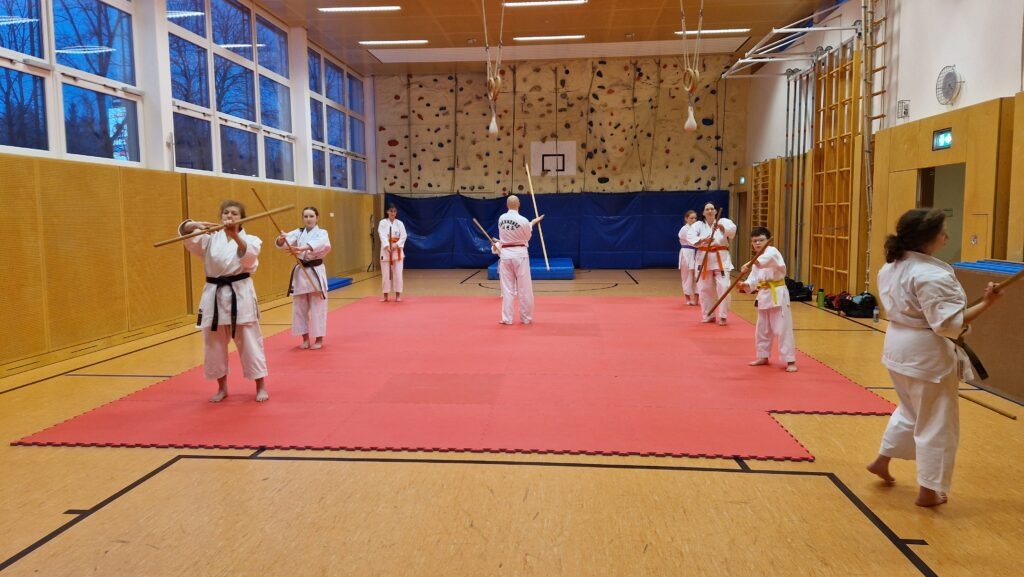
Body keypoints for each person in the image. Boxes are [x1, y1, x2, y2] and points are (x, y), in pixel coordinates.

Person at [865, 208, 1001, 507]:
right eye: (942, 232)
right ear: (928, 238)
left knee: (911, 411)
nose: (947, 236)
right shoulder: (931, 274)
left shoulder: (893, 266)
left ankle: (882, 460)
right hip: (926, 354)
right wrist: (988, 303)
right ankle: (929, 490)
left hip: (898, 347)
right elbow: (947, 325)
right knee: (937, 422)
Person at [179, 200, 269, 403]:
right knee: (214, 344)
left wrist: (235, 235)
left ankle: (260, 386)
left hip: (240, 294)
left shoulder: (252, 239)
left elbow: (249, 259)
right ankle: (222, 388)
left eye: (235, 213)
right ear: (221, 216)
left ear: (242, 218)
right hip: (214, 295)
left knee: (250, 343)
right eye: (226, 213)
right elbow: (187, 236)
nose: (229, 216)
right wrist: (195, 225)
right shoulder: (210, 239)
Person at [739, 227, 797, 372]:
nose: (757, 243)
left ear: (768, 240)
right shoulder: (757, 259)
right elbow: (753, 279)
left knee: (782, 328)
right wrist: (745, 284)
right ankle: (763, 356)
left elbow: (763, 261)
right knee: (762, 329)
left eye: (761, 240)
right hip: (763, 295)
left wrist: (748, 264)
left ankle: (790, 360)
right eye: (754, 241)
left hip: (778, 294)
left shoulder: (772, 252)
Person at [276, 207, 331, 350]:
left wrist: (301, 249)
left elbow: (321, 244)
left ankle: (319, 339)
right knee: (299, 307)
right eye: (306, 216)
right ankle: (305, 338)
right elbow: (284, 243)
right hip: (301, 271)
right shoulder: (298, 232)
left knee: (318, 307)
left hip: (315, 270)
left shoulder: (322, 233)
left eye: (311, 216)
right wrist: (281, 239)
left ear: (317, 217)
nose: (308, 219)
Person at [492, 195, 544, 325]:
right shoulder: (523, 220)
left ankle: (507, 318)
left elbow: (511, 233)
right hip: (520, 255)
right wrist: (532, 223)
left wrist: (533, 222)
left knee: (507, 289)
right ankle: (526, 318)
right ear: (519, 204)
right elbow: (527, 236)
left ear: (507, 205)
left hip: (505, 255)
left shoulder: (501, 218)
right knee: (524, 288)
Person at [687, 201, 737, 325]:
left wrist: (722, 228)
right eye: (707, 209)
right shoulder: (698, 225)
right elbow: (690, 237)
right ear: (703, 213)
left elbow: (732, 232)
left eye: (712, 209)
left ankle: (723, 315)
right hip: (703, 258)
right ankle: (708, 314)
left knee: (724, 286)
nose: (710, 211)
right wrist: (703, 240)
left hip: (721, 258)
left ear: (715, 211)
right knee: (704, 288)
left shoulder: (723, 221)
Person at [378, 204, 408, 302]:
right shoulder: (383, 223)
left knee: (398, 274)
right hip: (386, 251)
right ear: (387, 212)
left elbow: (404, 236)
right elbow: (382, 235)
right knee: (386, 275)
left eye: (394, 211)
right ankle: (385, 295)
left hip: (397, 251)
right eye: (391, 211)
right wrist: (387, 246)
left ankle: (398, 295)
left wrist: (397, 245)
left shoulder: (400, 223)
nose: (393, 213)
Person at [678, 210, 699, 306]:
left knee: (697, 276)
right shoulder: (684, 229)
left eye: (695, 218)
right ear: (686, 219)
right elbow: (693, 241)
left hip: (697, 253)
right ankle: (687, 298)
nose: (694, 220)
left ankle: (696, 299)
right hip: (687, 253)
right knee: (686, 276)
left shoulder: (698, 229)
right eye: (691, 218)